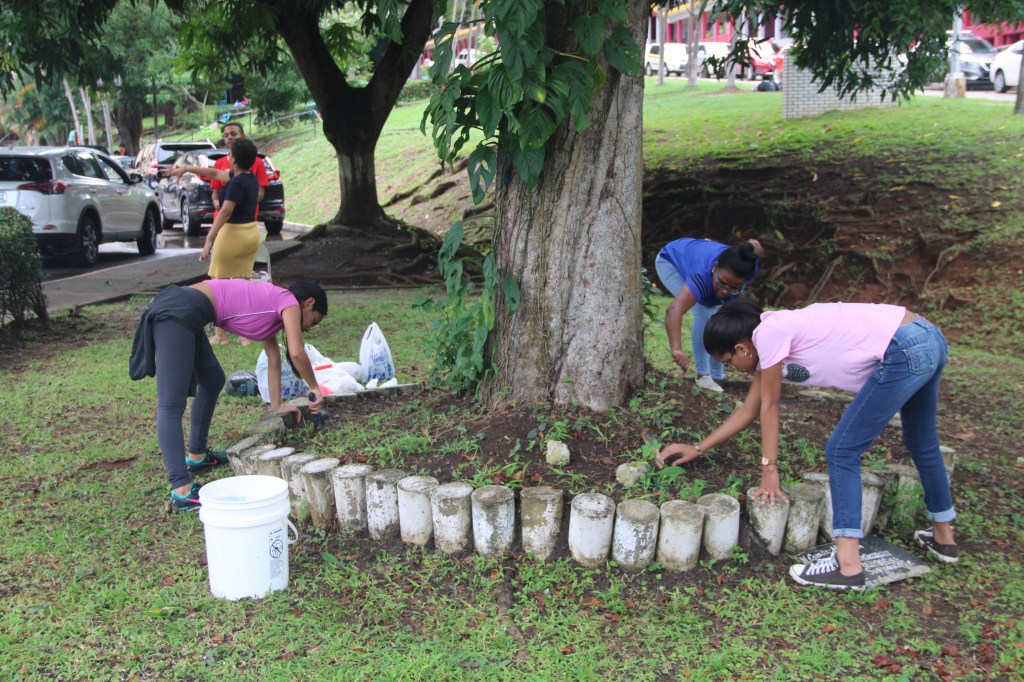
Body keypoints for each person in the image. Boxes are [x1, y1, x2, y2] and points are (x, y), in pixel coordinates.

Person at [657, 298, 957, 591]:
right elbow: (749, 410)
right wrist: (698, 447)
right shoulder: (770, 340)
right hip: (926, 336)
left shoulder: (768, 334)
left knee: (841, 450)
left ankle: (848, 566)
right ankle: (944, 537)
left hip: (903, 346)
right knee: (922, 441)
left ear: (741, 348)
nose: (732, 368)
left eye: (728, 362)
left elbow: (771, 405)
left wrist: (769, 469)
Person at [129, 279, 328, 513]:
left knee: (212, 380)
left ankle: (198, 456)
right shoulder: (289, 303)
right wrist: (314, 387)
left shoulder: (274, 305)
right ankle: (181, 490)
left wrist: (277, 405)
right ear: (309, 303)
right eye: (313, 321)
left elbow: (274, 356)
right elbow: (296, 352)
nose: (307, 329)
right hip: (178, 310)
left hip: (189, 311)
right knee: (171, 405)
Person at [166, 136, 264, 345]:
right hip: (250, 233)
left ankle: (221, 335)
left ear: (233, 160)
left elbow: (226, 210)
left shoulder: (237, 182)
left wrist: (209, 240)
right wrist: (187, 170)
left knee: (218, 285)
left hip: (233, 235)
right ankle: (245, 334)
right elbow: (214, 173)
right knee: (242, 285)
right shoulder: (249, 178)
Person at [655, 238, 763, 392]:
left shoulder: (749, 266)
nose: (725, 291)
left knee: (720, 313)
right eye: (722, 283)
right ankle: (703, 375)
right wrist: (677, 349)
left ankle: (716, 373)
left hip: (699, 256)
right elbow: (674, 309)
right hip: (671, 260)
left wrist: (755, 248)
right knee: (704, 311)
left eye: (734, 288)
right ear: (715, 267)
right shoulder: (702, 276)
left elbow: (755, 246)